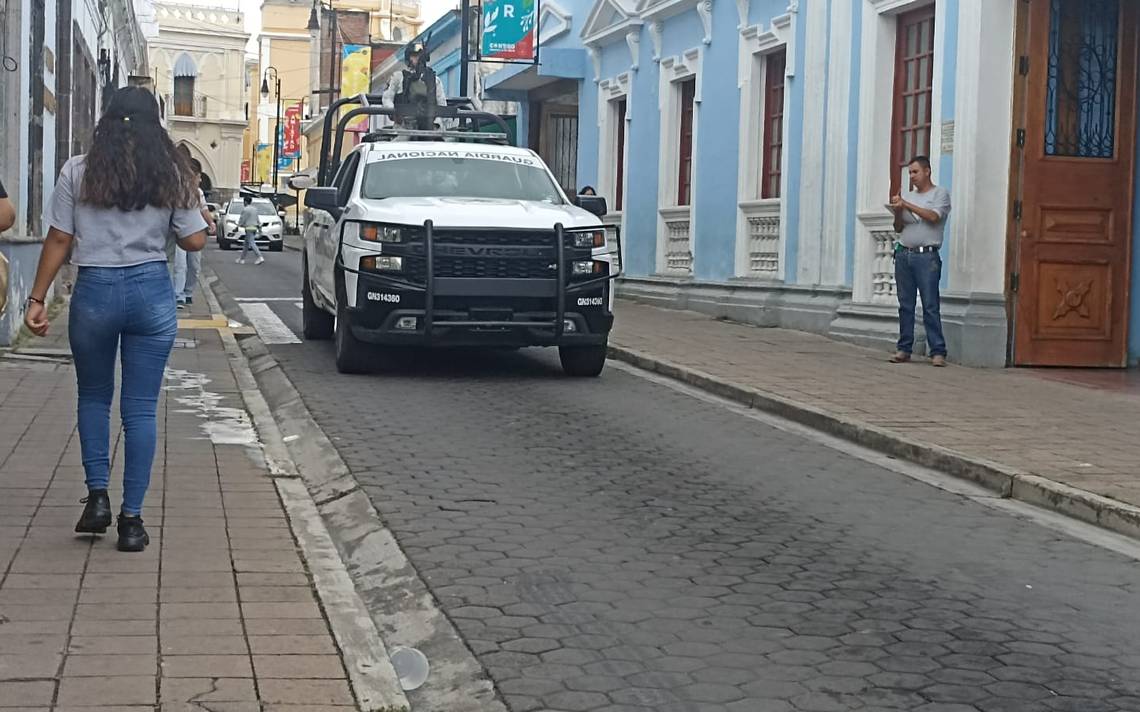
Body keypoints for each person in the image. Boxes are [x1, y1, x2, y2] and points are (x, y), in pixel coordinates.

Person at [23, 86, 207, 552]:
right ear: (156, 125)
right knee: (141, 407)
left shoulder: (80, 170)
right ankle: (132, 522)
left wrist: (37, 297)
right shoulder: (173, 171)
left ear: (106, 120)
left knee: (94, 396)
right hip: (150, 290)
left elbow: (60, 238)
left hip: (95, 291)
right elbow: (195, 243)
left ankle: (98, 498)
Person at [888, 156, 951, 367]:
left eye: (915, 172)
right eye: (909, 173)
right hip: (904, 253)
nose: (912, 177)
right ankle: (904, 348)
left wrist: (906, 204)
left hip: (927, 256)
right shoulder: (907, 196)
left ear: (927, 171)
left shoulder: (939, 194)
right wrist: (898, 212)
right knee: (905, 304)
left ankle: (938, 351)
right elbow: (898, 228)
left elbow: (933, 217)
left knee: (930, 304)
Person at [382, 42, 448, 130]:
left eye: (420, 55)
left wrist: (436, 124)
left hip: (430, 131)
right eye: (414, 55)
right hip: (403, 128)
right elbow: (387, 98)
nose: (418, 59)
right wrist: (395, 114)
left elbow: (442, 105)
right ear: (408, 58)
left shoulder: (434, 80)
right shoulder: (398, 77)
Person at [236, 197, 265, 265]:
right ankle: (242, 259)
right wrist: (260, 229)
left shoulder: (245, 209)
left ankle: (260, 257)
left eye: (244, 202)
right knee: (246, 244)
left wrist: (238, 226)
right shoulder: (255, 209)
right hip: (254, 228)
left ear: (245, 202)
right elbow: (257, 220)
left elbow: (242, 219)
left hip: (248, 228)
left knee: (252, 243)